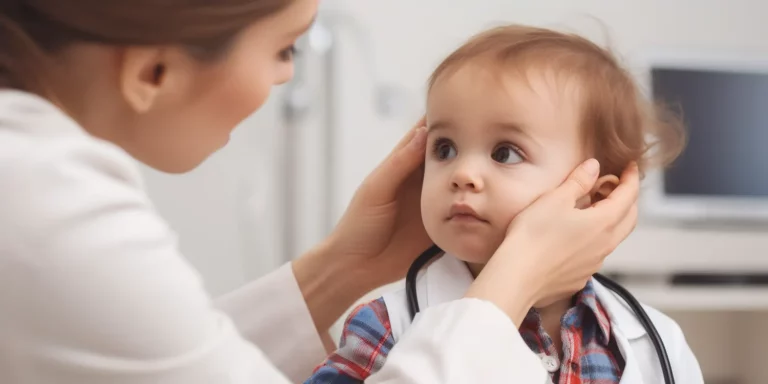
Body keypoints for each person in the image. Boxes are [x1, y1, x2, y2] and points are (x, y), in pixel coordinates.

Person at [0, 1, 639, 383]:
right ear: (152, 72)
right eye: (285, 49)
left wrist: (347, 263)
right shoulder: (41, 204)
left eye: (506, 153)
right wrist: (512, 281)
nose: (286, 78)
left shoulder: (643, 334)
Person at [307, 25, 704, 384]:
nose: (462, 173)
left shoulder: (656, 341)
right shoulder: (387, 325)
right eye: (444, 148)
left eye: (505, 153)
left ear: (597, 197)